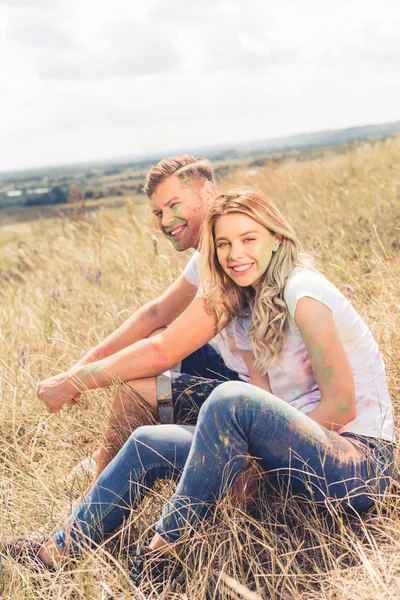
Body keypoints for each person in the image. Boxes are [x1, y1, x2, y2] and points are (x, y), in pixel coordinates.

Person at [11, 189, 395, 589]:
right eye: (224, 244)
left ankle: (161, 555)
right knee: (147, 441)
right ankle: (55, 554)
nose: (235, 254)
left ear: (276, 238)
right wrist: (245, 458)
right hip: (295, 453)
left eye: (249, 239)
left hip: (356, 463)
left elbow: (341, 405)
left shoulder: (304, 292)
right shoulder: (247, 302)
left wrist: (255, 463)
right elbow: (267, 399)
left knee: (227, 397)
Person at [37, 155, 249, 485]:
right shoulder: (209, 249)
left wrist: (74, 382)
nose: (166, 220)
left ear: (207, 194)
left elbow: (162, 352)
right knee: (157, 330)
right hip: (239, 372)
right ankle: (107, 454)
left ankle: (92, 499)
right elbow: (156, 313)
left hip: (262, 398)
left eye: (174, 205)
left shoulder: (232, 256)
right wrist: (79, 367)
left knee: (136, 390)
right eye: (158, 212)